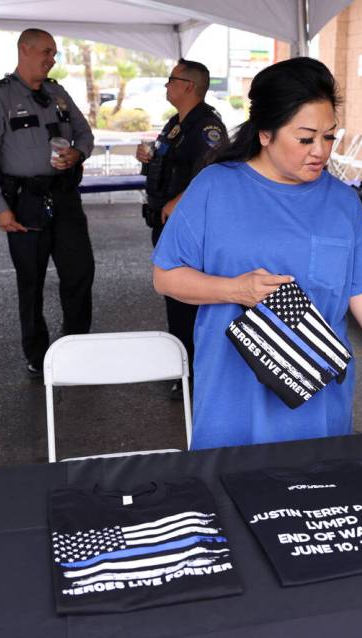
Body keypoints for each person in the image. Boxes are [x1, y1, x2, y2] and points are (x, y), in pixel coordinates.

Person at [152, 57, 362, 449]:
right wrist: (234, 290)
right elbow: (166, 275)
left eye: (329, 137)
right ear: (265, 133)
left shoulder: (342, 203)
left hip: (317, 404)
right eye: (306, 138)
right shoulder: (216, 187)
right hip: (231, 398)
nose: (321, 151)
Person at [0, 28, 95, 378]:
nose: (51, 59)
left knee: (80, 272)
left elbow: (84, 133)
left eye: (54, 53)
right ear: (24, 50)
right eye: (45, 51)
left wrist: (77, 153)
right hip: (25, 201)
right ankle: (37, 355)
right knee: (31, 281)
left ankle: (76, 347)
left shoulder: (57, 93)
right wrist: (0, 208)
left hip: (65, 197)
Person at [136, 58, 228, 398]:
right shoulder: (177, 123)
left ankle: (193, 375)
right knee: (175, 299)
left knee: (188, 300)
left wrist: (181, 202)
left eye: (171, 80)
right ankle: (183, 367)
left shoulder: (206, 127)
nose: (166, 86)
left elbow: (215, 173)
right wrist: (148, 158)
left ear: (188, 86)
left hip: (188, 227)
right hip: (166, 223)